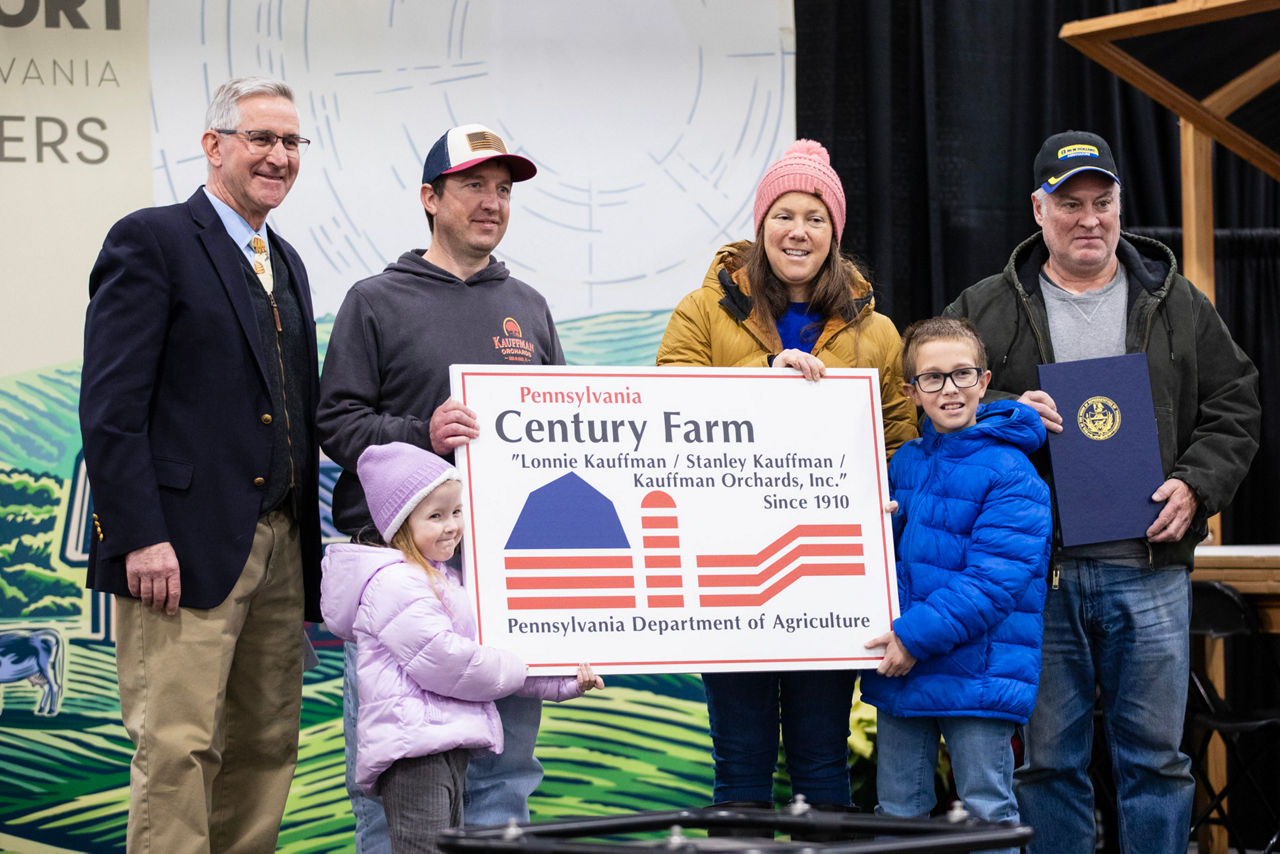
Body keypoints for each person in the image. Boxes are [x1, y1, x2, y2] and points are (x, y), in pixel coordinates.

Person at [944, 130, 1261, 853]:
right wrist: (1001, 414)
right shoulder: (984, 309)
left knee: (1157, 762)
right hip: (1036, 572)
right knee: (1049, 765)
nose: (1088, 218)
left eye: (1102, 201)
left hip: (1148, 569)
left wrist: (1196, 483)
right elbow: (939, 409)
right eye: (1069, 204)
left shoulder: (1176, 302)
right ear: (1037, 209)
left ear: (1120, 205)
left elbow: (1235, 403)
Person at [78, 76, 321, 851]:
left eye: (291, 142)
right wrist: (139, 536)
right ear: (214, 146)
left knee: (266, 746)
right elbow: (111, 410)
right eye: (261, 138)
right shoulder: (149, 239)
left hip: (280, 547)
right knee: (179, 748)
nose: (278, 156)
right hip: (178, 549)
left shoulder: (285, 261)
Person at [316, 122, 564, 846]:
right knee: (398, 784)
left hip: (503, 581)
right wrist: (419, 435)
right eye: (474, 187)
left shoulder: (529, 306)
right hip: (404, 583)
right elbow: (336, 423)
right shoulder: (375, 300)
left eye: (503, 190)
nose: (492, 202)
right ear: (431, 197)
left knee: (504, 780)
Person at [656, 139, 917, 817]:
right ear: (760, 225)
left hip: (828, 571)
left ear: (835, 232)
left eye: (815, 217)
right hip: (728, 568)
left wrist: (891, 495)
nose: (798, 231)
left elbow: (899, 437)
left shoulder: (878, 332)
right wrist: (756, 379)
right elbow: (665, 403)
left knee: (821, 761)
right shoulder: (702, 311)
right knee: (740, 768)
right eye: (784, 214)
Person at [320, 442, 603, 854]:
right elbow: (452, 663)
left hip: (441, 747)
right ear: (398, 524)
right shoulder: (396, 585)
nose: (452, 525)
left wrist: (563, 681)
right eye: (435, 516)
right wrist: (519, 667)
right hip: (414, 755)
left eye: (456, 511)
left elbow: (485, 659)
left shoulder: (439, 578)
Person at [858, 317, 1051, 853]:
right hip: (903, 672)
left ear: (985, 382)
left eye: (962, 375)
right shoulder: (903, 465)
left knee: (988, 814)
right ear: (910, 393)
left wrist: (911, 639)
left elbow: (994, 583)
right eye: (933, 378)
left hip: (976, 674)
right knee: (897, 815)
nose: (949, 390)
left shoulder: (1013, 473)